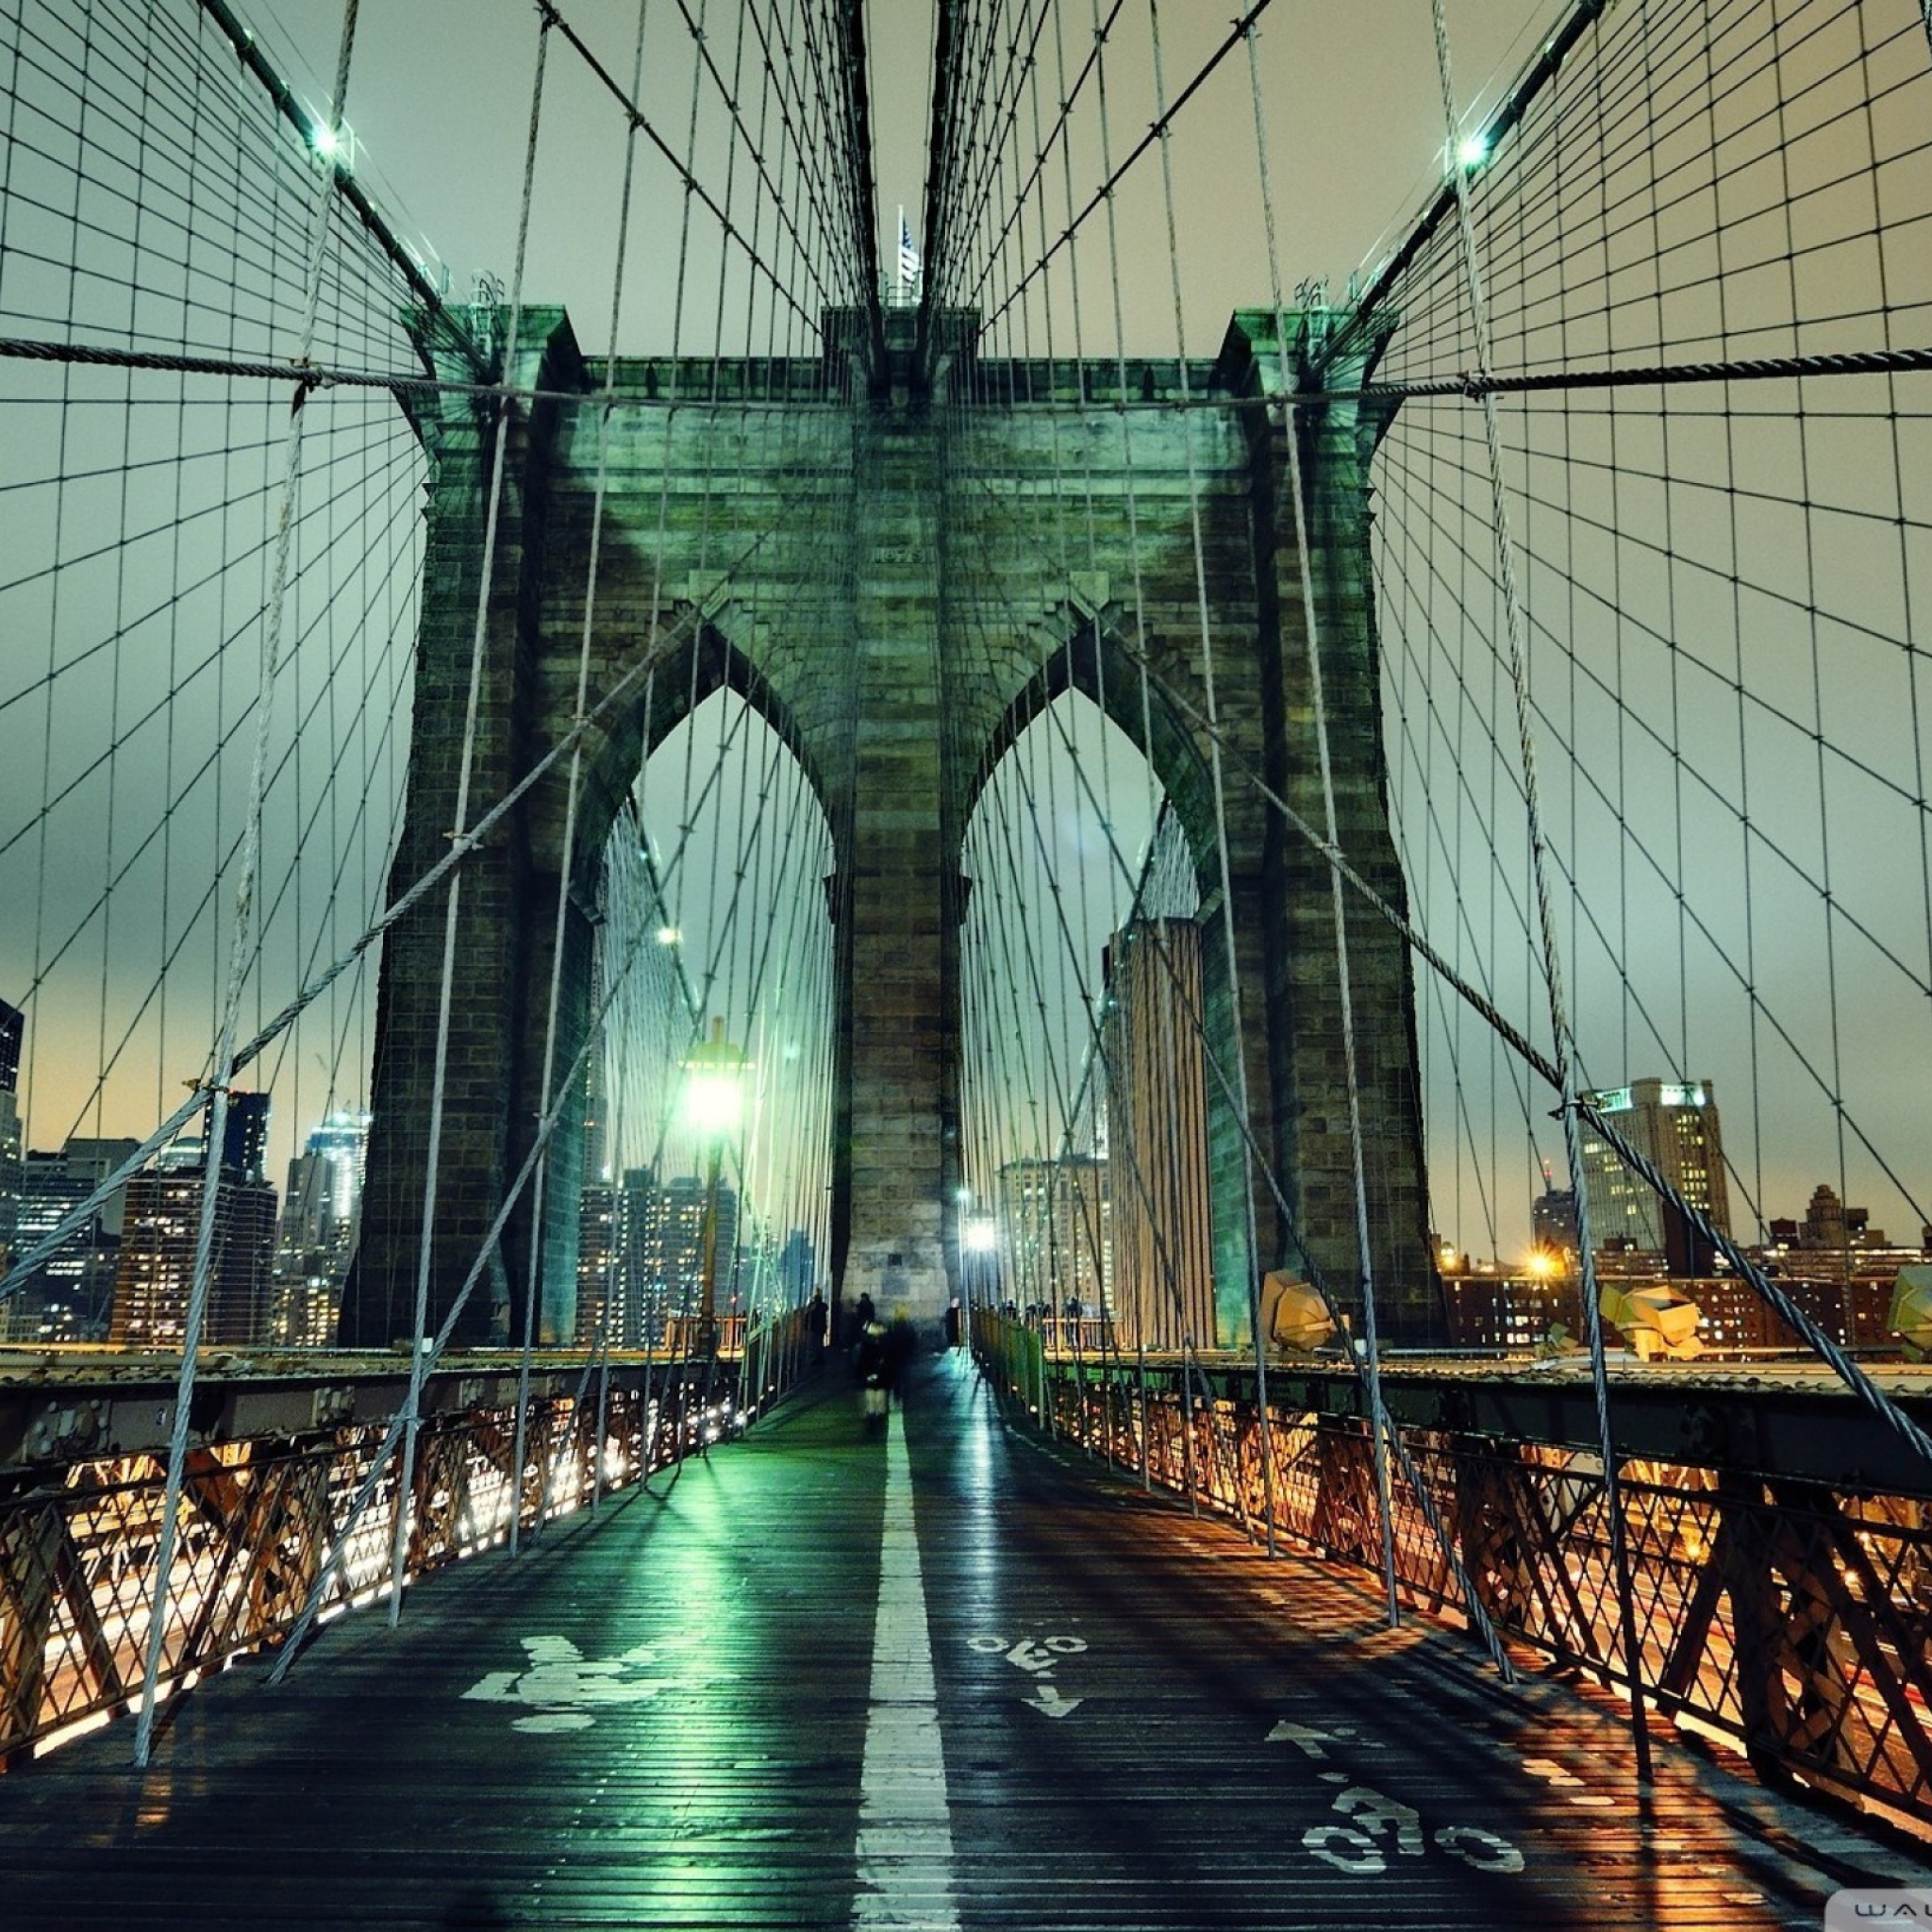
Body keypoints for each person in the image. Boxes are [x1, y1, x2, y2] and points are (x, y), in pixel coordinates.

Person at [856, 1320, 888, 1433]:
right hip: (878, 1377)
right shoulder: (882, 1344)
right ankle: (875, 1421)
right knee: (877, 1400)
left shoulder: (866, 1345)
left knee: (873, 1400)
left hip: (872, 1377)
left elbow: (861, 1362)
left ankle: (872, 1421)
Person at [806, 1290, 828, 1358]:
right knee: (818, 1343)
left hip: (816, 1327)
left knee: (816, 1343)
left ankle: (818, 1357)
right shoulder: (823, 1306)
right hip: (820, 1327)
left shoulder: (817, 1307)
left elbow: (809, 1314)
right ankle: (819, 1357)